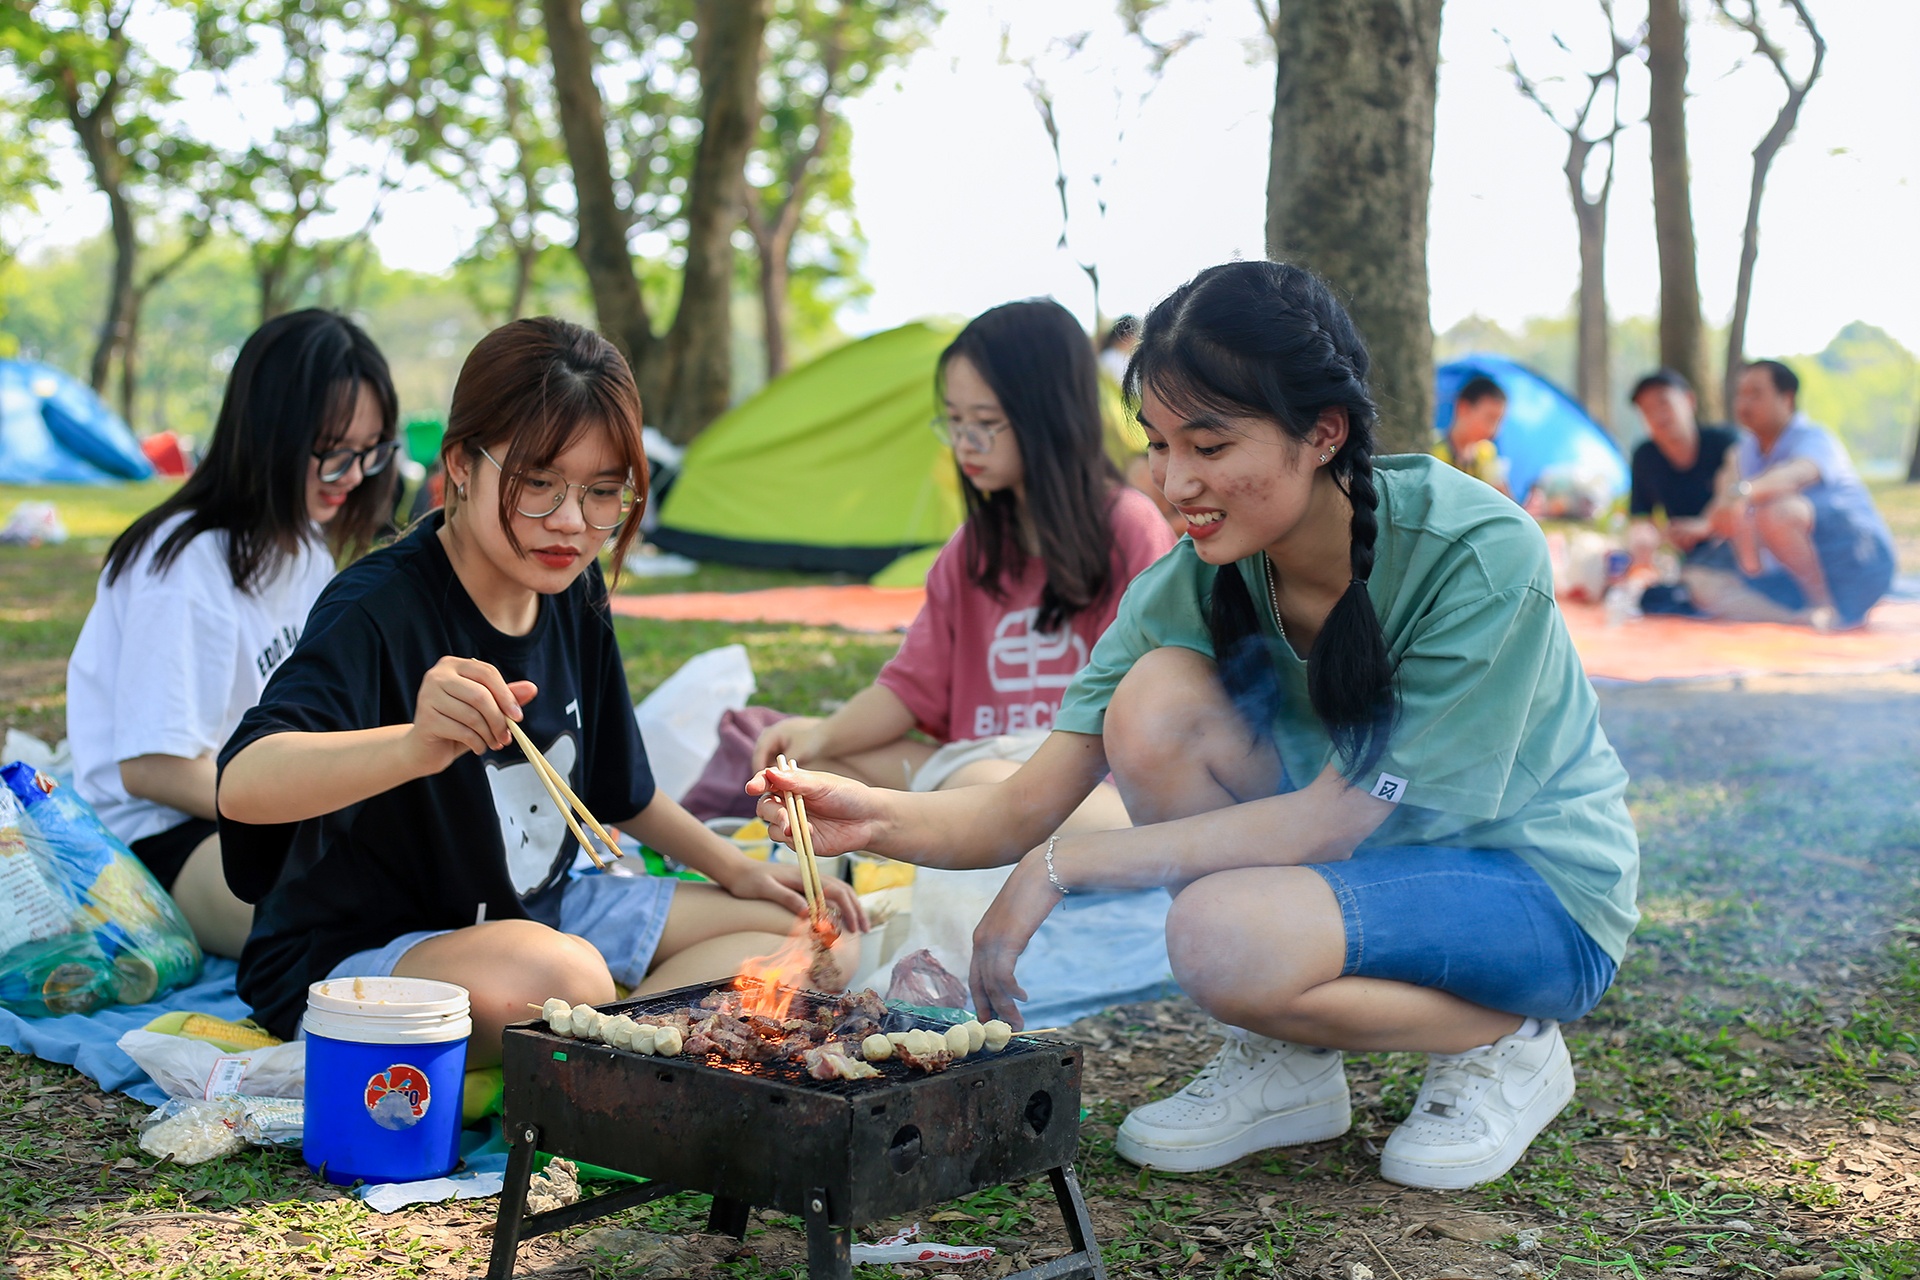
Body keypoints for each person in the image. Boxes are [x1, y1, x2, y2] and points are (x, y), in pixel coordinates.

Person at [749, 261, 1638, 1192]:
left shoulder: (1475, 554)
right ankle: (1287, 1059)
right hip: (1362, 876)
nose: (1173, 482)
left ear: (1323, 432)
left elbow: (1332, 822)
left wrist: (1062, 866)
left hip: (1534, 892)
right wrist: (864, 815)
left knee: (1219, 933)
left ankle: (1510, 1037)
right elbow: (1019, 806)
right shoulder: (1189, 580)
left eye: (1209, 446)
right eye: (1158, 444)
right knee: (1156, 699)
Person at [216, 317, 864, 1056]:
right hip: (369, 949)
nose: (569, 522)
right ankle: (616, 1033)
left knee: (818, 943)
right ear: (461, 464)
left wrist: (743, 872)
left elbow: (623, 791)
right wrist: (415, 744)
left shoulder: (573, 585)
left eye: (602, 492)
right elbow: (243, 784)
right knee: (562, 975)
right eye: (537, 484)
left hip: (547, 907)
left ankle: (611, 1045)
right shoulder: (378, 609)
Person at [751, 299, 1175, 828]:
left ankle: (932, 827)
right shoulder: (971, 548)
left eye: (985, 422)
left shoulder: (1128, 528)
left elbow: (1150, 704)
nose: (964, 443)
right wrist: (820, 735)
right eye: (953, 421)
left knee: (979, 784)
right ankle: (926, 830)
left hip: (1090, 789)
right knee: (810, 772)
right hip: (971, 771)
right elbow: (908, 691)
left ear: (1050, 418)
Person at [66, 310, 400, 958]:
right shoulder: (181, 565)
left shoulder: (304, 548)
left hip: (268, 813)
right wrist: (306, 810)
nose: (355, 475)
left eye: (371, 450)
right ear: (270, 432)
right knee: (350, 920)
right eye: (334, 452)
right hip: (160, 841)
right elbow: (152, 769)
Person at [1692, 360, 1895, 629]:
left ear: (1786, 399)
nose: (1744, 404)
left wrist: (1743, 491)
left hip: (1860, 564)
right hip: (1791, 575)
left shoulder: (1816, 439)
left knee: (1777, 511)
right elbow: (1724, 510)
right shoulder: (1743, 453)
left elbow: (1793, 476)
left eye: (1755, 394)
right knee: (1701, 580)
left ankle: (1823, 607)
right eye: (1740, 394)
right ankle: (1795, 617)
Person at [1434, 375, 1509, 496]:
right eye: (1490, 418)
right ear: (1463, 408)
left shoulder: (1486, 453)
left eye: (1499, 422)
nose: (1494, 430)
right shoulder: (1434, 449)